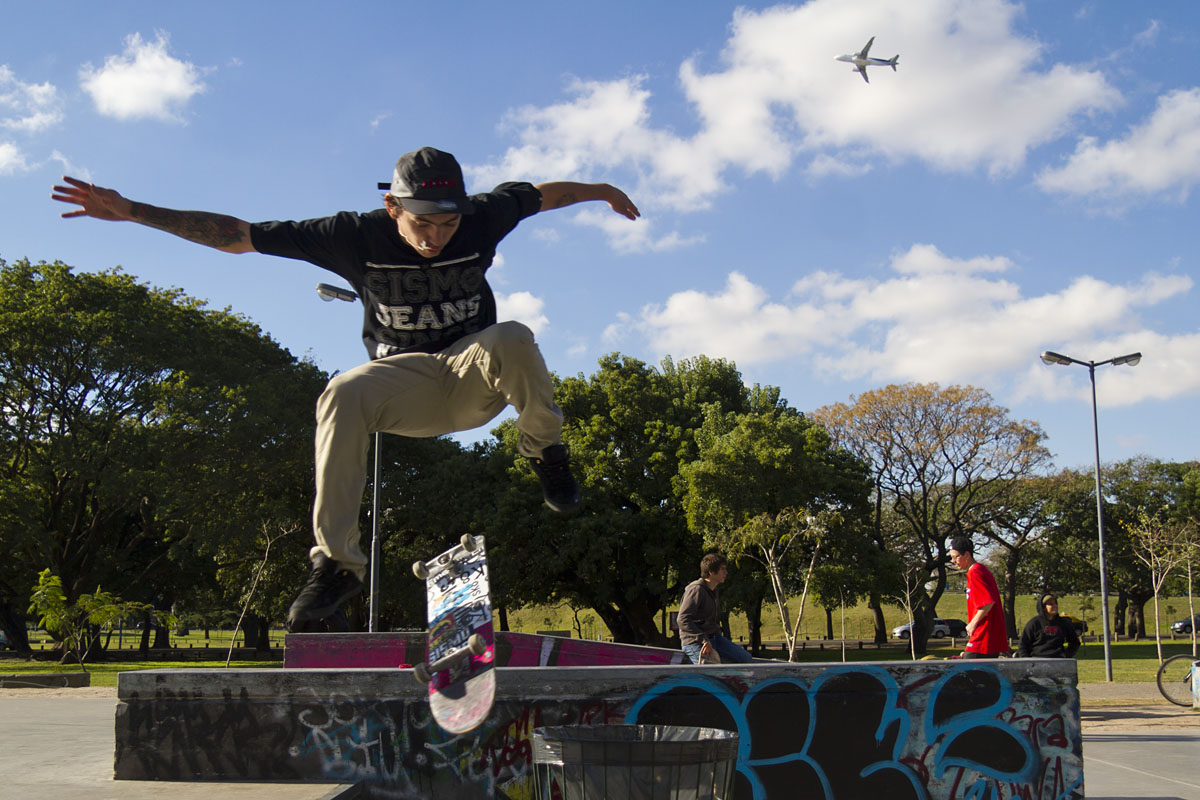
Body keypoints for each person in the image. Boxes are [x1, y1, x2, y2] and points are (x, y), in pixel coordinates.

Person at [52, 147, 640, 630]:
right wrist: (133, 211)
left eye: (448, 223)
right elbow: (237, 235)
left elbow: (546, 194)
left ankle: (544, 452)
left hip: (471, 375)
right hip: (401, 384)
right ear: (391, 207)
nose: (436, 236)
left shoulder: (486, 215)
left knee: (511, 334)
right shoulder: (348, 235)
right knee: (340, 391)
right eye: (422, 223)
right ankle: (338, 565)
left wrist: (604, 189)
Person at [677, 553, 754, 664]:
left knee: (746, 658)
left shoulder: (713, 591)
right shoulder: (696, 590)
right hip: (695, 642)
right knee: (711, 674)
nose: (726, 572)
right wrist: (703, 640)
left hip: (714, 638)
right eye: (722, 569)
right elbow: (682, 620)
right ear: (711, 572)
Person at [948, 537, 1009, 658]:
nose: (953, 561)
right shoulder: (979, 570)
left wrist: (972, 624)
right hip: (987, 636)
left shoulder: (975, 572)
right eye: (951, 557)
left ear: (967, 555)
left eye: (956, 557)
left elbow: (988, 602)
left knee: (967, 671)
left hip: (984, 635)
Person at [1018, 593, 1081, 658]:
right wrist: (1026, 661)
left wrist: (1066, 654)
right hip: (1037, 660)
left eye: (1055, 603)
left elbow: (1075, 642)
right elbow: (1023, 645)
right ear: (1044, 607)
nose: (1055, 606)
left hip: (1058, 661)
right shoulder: (1034, 623)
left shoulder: (1063, 623)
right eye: (1051, 604)